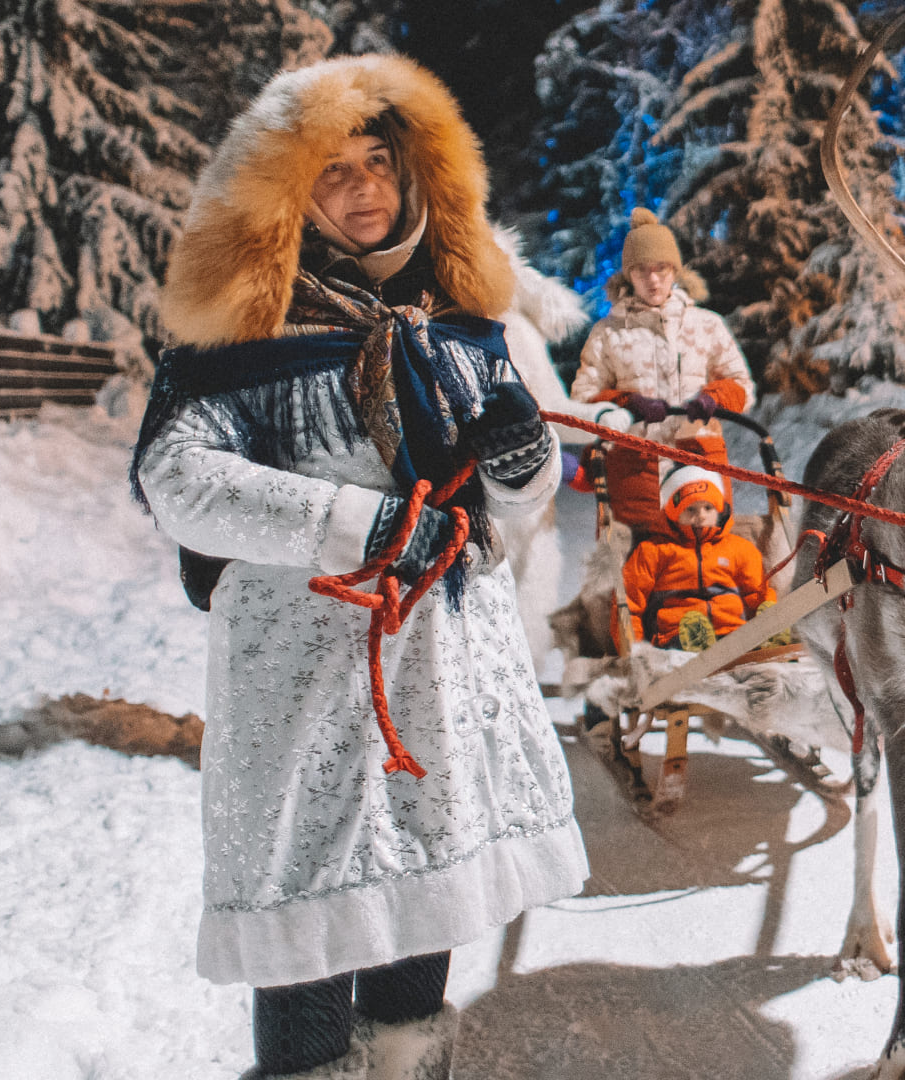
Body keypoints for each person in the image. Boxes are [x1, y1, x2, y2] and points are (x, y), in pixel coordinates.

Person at [132, 55, 588, 1079]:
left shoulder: (462, 332)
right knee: (311, 929)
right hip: (311, 697)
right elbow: (178, 480)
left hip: (447, 683)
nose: (366, 190)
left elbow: (513, 506)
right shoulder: (241, 339)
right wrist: (362, 525)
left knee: (430, 902)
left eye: (380, 163)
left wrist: (524, 465)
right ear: (287, 195)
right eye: (332, 172)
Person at [570, 207, 755, 530]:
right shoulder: (607, 333)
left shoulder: (707, 325)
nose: (652, 279)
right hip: (636, 466)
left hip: (700, 460)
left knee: (708, 559)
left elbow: (741, 385)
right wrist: (627, 403)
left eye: (661, 268)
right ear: (628, 275)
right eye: (641, 270)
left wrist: (715, 398)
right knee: (643, 563)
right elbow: (583, 399)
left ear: (675, 270)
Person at [621, 465, 770, 650]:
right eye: (691, 509)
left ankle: (772, 634)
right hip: (675, 635)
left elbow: (756, 593)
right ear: (674, 513)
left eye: (708, 508)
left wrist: (767, 612)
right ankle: (697, 644)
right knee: (691, 628)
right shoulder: (653, 551)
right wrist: (634, 648)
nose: (701, 516)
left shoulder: (738, 548)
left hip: (732, 632)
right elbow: (629, 603)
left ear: (719, 510)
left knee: (763, 615)